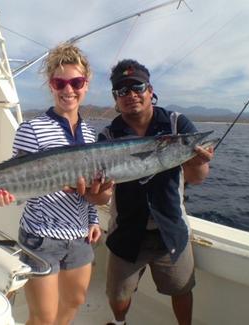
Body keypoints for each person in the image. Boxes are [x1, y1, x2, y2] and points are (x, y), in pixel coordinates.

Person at [0, 42, 113, 325]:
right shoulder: (31, 130)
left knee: (74, 302)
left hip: (80, 236)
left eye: (76, 82)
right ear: (51, 84)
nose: (68, 89)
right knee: (43, 317)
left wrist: (93, 218)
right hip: (41, 236)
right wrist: (6, 193)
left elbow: (91, 187)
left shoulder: (90, 135)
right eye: (60, 82)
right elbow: (17, 181)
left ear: (86, 84)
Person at [99, 59, 214, 325]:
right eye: (122, 91)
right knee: (118, 295)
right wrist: (95, 191)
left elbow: (197, 178)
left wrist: (197, 162)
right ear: (116, 99)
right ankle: (120, 323)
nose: (131, 95)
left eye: (137, 87)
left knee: (182, 289)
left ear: (150, 90)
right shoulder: (108, 134)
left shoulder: (177, 124)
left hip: (171, 229)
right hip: (126, 231)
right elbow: (102, 195)